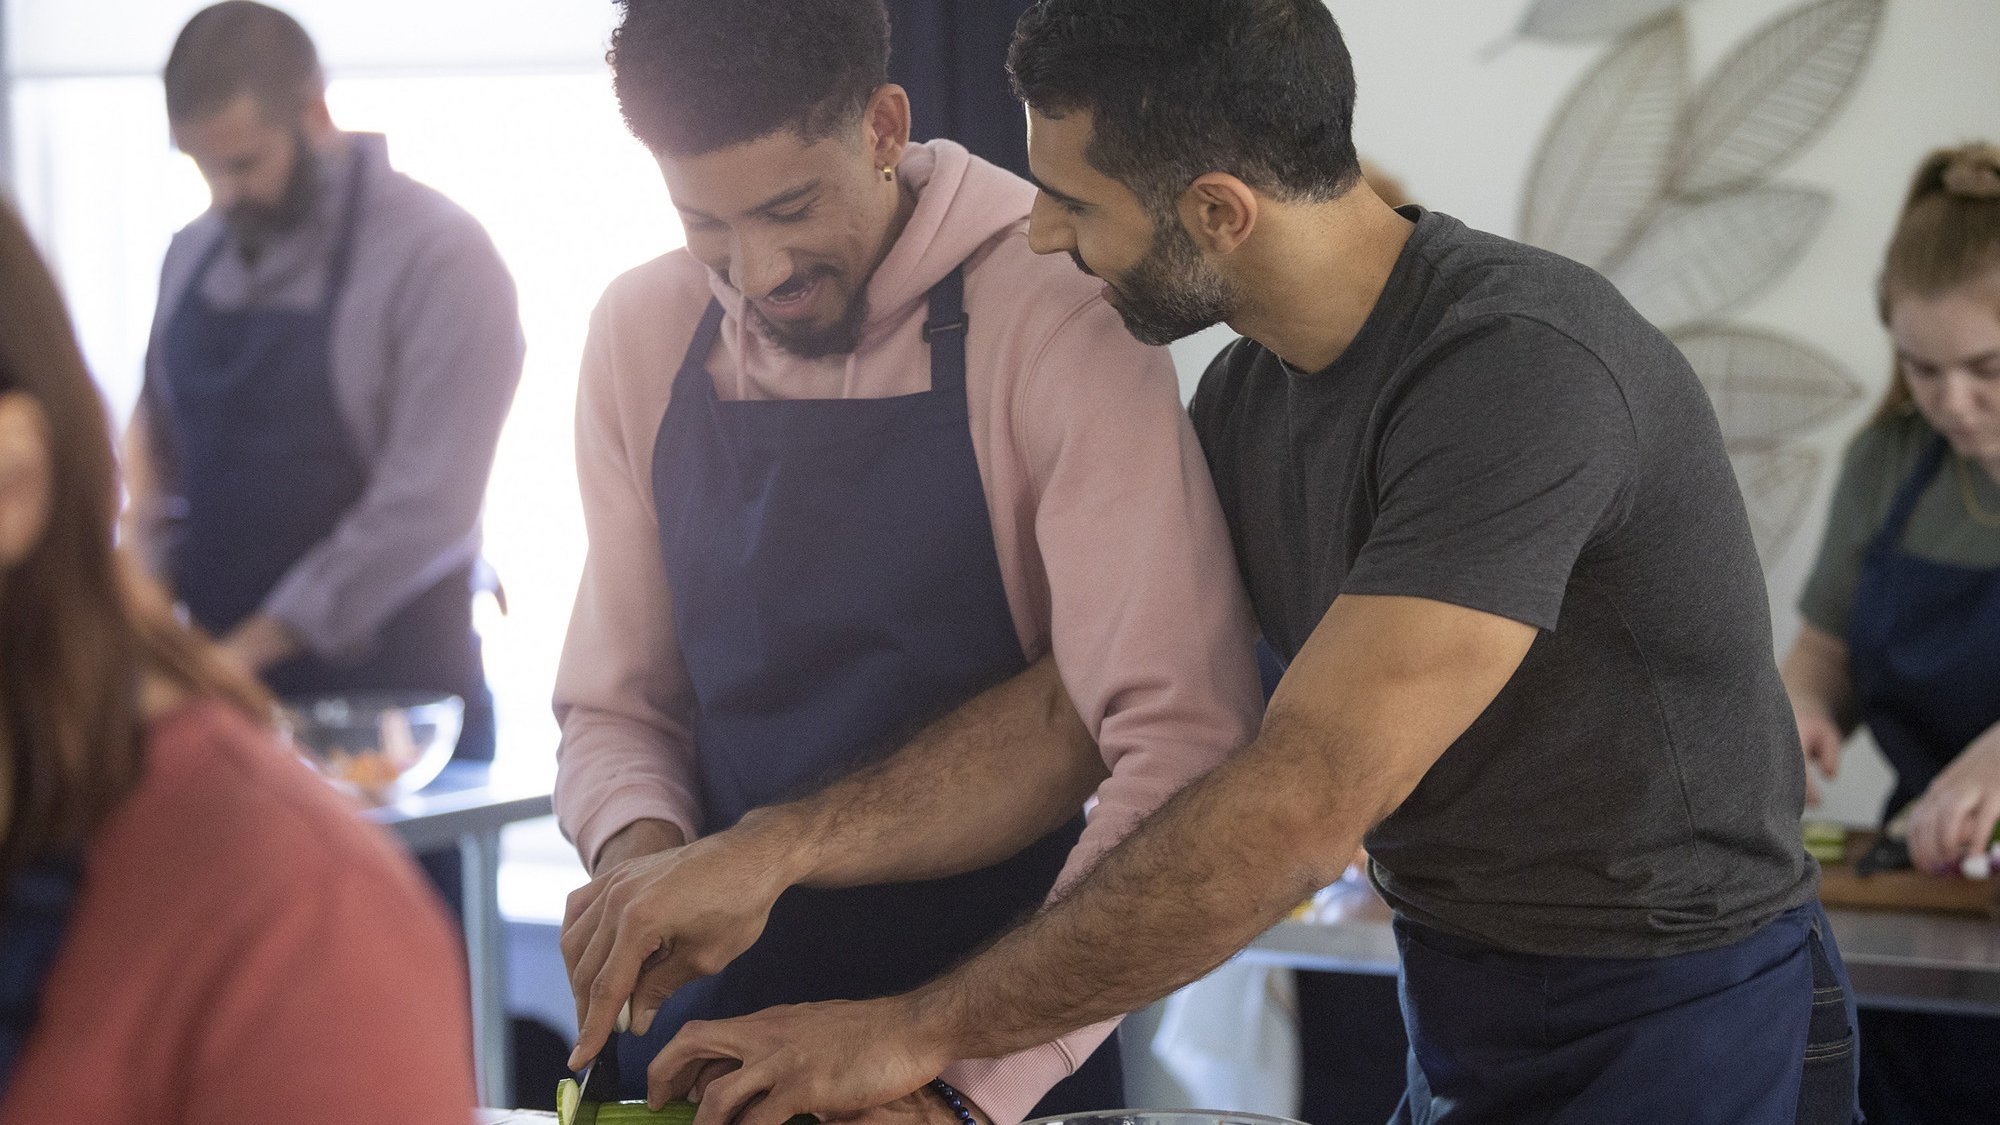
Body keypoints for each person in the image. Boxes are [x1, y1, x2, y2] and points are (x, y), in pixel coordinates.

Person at [639, 3, 1866, 1124]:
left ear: (1217, 211)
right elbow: (1083, 702)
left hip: (1682, 1009)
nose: (1041, 233)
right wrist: (776, 850)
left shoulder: (1517, 370)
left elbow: (1301, 801)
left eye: (1076, 200)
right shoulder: (1245, 393)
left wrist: (919, 1035)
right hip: (1459, 1001)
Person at [553, 1, 1260, 1122]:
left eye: (789, 207)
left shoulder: (1054, 307)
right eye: (705, 223)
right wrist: (647, 867)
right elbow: (616, 707)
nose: (756, 268)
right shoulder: (641, 331)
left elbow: (1181, 740)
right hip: (712, 1055)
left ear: (884, 125)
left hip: (992, 1038)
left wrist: (969, 1088)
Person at [0, 199, 474, 1124]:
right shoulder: (192, 261)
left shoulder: (292, 920)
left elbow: (422, 512)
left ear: (15, 479)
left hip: (363, 670)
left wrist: (249, 644)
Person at [123, 1, 523, 780]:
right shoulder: (192, 252)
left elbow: (426, 507)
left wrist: (232, 660)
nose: (223, 194)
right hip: (219, 702)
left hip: (391, 717)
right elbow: (154, 452)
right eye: (203, 167)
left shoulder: (441, 257)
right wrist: (147, 631)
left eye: (243, 164)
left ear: (314, 111)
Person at [1781, 141, 2000, 1125]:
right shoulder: (1887, 461)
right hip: (1935, 900)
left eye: (1986, 368)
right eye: (1922, 368)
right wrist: (1795, 706)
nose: (1951, 401)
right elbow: (1824, 651)